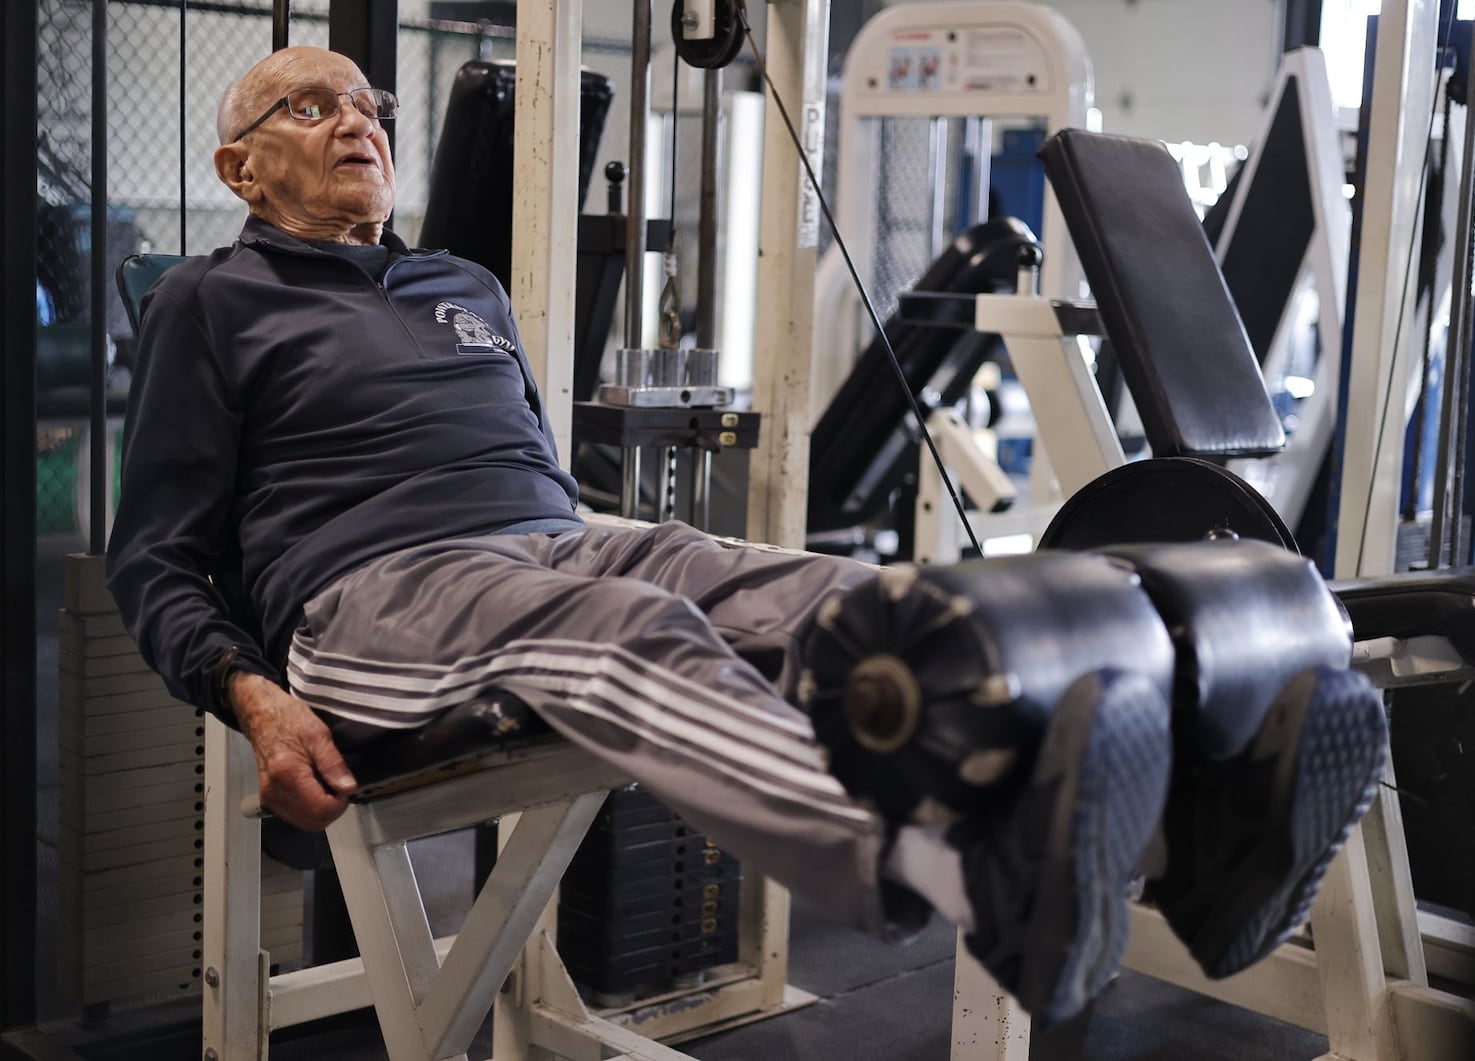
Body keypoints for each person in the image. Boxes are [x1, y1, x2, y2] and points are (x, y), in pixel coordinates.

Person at [106, 46, 1386, 1029]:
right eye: (313, 109)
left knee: (859, 600)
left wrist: (588, 536)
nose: (360, 123)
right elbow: (153, 554)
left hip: (553, 540)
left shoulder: (463, 287)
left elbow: (531, 474)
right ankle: (944, 871)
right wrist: (257, 701)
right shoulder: (211, 301)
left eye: (371, 104)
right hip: (371, 599)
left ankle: (1192, 845)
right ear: (240, 170)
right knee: (625, 636)